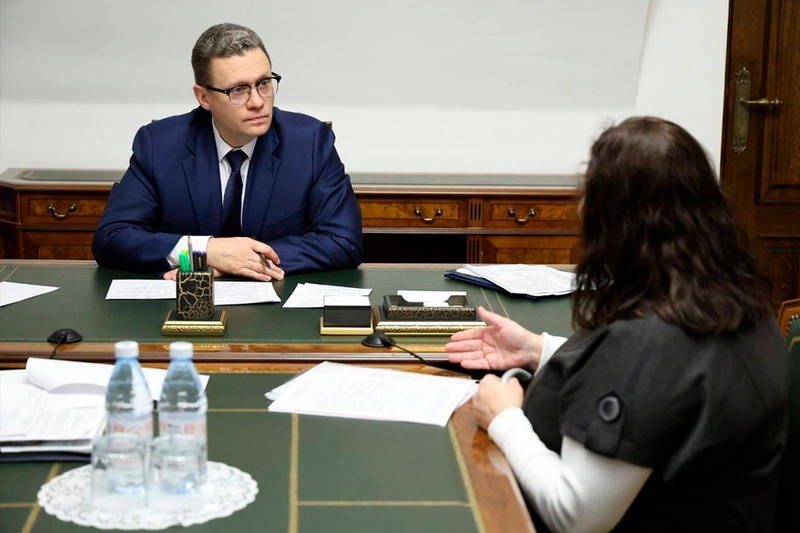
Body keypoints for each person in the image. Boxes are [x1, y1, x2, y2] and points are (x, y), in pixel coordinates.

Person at [446, 117, 791, 533]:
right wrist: (538, 349)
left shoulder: (645, 345)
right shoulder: (738, 302)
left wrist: (503, 417)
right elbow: (672, 381)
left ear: (616, 225)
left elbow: (574, 515)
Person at [92, 23, 363, 281]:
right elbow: (112, 238)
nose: (257, 102)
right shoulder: (160, 145)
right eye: (238, 90)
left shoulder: (310, 142)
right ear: (204, 97)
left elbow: (344, 241)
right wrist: (204, 252)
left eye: (264, 83)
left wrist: (242, 262)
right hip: (186, 305)